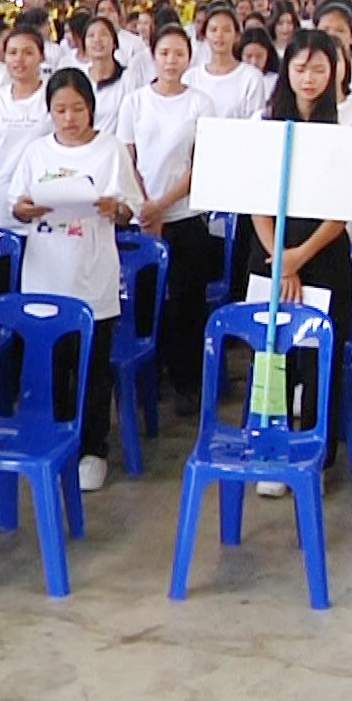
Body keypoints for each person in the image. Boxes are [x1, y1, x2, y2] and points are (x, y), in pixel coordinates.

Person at [10, 68, 144, 494]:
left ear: (91, 108)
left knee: (91, 367)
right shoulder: (35, 153)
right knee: (52, 364)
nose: (69, 118)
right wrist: (27, 211)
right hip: (44, 274)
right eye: (60, 109)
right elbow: (18, 204)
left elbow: (131, 208)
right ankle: (55, 439)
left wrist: (114, 209)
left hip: (91, 275)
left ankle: (93, 448)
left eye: (77, 109)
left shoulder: (109, 151)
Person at [245, 30, 352, 493]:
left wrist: (299, 257)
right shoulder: (265, 121)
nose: (309, 77)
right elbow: (256, 199)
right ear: (286, 71)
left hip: (323, 253)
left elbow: (343, 211)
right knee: (271, 351)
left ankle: (314, 449)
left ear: (334, 72)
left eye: (319, 68)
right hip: (270, 252)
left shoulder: (346, 129)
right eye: (300, 67)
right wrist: (279, 260)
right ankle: (271, 447)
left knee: (318, 357)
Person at [115, 25, 217, 418]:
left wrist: (162, 205)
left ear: (189, 58)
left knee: (186, 305)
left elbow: (201, 161)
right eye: (164, 53)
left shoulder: (200, 103)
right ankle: (147, 381)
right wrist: (144, 207)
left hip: (185, 216)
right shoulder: (135, 102)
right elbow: (128, 156)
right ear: (153, 57)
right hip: (141, 219)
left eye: (179, 54)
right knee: (143, 304)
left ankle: (186, 383)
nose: (171, 61)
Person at [0, 26, 53, 231]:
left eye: (28, 52)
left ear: (41, 56)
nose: (19, 59)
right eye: (13, 53)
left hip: (39, 202)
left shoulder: (53, 98)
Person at [183, 8, 266, 120]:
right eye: (213, 30)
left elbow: (255, 120)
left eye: (226, 30)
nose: (219, 35)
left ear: (236, 36)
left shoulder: (252, 77)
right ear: (205, 35)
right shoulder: (190, 78)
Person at [78, 16, 137, 133]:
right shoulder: (78, 78)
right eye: (91, 36)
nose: (97, 40)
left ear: (114, 43)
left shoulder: (128, 79)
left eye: (103, 34)